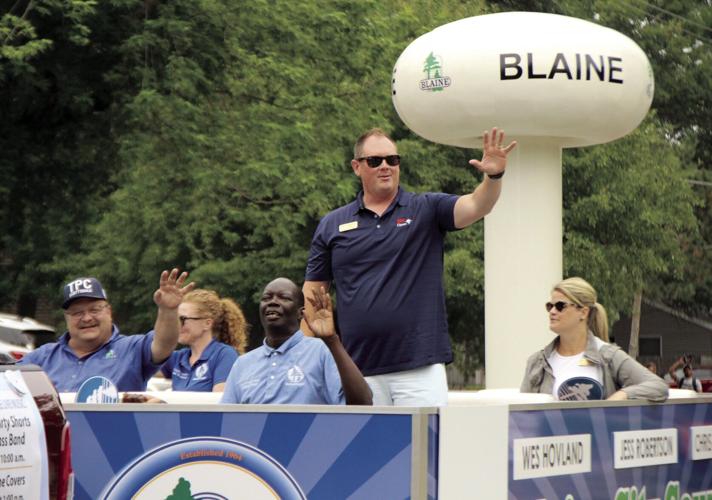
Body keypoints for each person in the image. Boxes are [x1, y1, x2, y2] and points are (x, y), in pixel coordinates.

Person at [304, 127, 517, 406]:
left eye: (393, 160)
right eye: (375, 161)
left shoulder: (426, 208)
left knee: (424, 448)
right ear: (357, 167)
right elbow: (313, 295)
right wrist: (303, 358)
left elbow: (477, 205)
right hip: (357, 369)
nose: (385, 167)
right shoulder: (332, 223)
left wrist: (493, 176)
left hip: (419, 369)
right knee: (366, 449)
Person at [20, 270, 194, 392]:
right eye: (77, 313)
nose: (87, 318)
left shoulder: (131, 349)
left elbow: (164, 345)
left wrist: (168, 310)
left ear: (109, 311)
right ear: (66, 318)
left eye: (94, 310)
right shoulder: (41, 358)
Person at [220, 278, 372, 405]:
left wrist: (332, 340)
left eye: (284, 298)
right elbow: (225, 419)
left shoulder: (322, 351)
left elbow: (362, 404)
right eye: (267, 298)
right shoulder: (243, 364)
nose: (273, 302)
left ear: (301, 313)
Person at [520, 277, 668, 402]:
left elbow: (658, 386)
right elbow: (522, 416)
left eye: (560, 306)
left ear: (583, 312)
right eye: (549, 306)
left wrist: (622, 395)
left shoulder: (608, 356)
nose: (552, 311)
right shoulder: (537, 362)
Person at [160, 289, 247, 392]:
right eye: (175, 319)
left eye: (183, 319)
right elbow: (141, 367)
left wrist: (166, 401)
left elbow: (219, 402)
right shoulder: (179, 358)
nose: (177, 325)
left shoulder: (224, 355)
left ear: (207, 323)